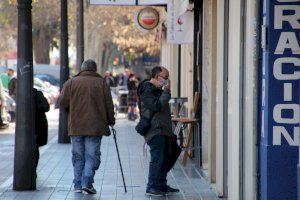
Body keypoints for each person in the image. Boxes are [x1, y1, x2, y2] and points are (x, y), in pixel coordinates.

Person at [58, 59, 115, 194]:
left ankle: (78, 185)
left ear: (82, 69)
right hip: (95, 127)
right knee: (92, 155)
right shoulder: (101, 83)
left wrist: (70, 111)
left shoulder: (71, 82)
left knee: (78, 156)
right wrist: (111, 120)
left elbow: (61, 103)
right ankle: (87, 182)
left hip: (76, 126)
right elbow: (109, 105)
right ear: (95, 70)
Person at [137, 66, 180, 196]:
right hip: (155, 130)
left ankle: (161, 184)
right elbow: (158, 105)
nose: (168, 81)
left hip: (164, 129)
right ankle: (152, 186)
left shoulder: (157, 89)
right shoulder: (147, 89)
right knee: (157, 158)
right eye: (165, 78)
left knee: (170, 154)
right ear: (157, 77)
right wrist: (167, 91)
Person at [32, 88, 50, 189]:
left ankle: (33, 169)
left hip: (36, 126)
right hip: (37, 126)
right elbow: (46, 107)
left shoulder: (36, 94)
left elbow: (46, 107)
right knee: (35, 149)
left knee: (34, 148)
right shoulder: (37, 93)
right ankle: (33, 169)